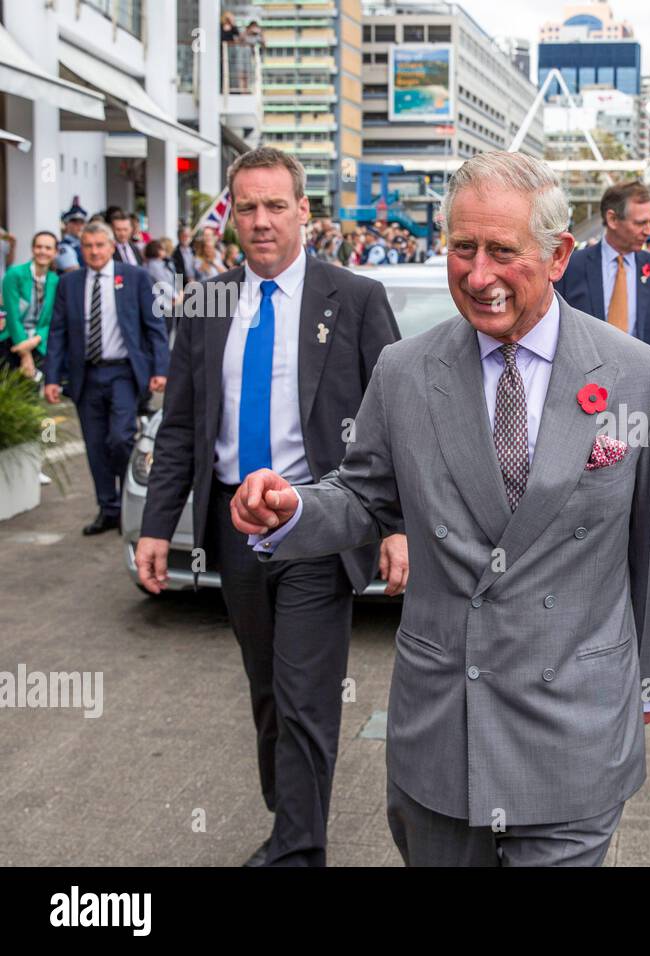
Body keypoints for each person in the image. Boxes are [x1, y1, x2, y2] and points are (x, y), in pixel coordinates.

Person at [227, 150, 650, 867]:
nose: (478, 276)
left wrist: (649, 684)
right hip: (444, 731)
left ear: (559, 254)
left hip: (574, 734)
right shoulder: (406, 370)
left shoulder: (638, 376)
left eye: (503, 252)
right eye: (463, 249)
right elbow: (363, 496)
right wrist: (293, 511)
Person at [135, 146, 404, 867]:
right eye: (247, 207)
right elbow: (183, 427)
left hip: (318, 524)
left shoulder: (355, 298)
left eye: (275, 205)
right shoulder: (206, 302)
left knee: (305, 694)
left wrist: (398, 527)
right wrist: (157, 528)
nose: (260, 221)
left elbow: (395, 422)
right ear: (232, 215)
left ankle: (296, 850)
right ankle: (290, 813)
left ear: (304, 213)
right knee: (267, 693)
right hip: (233, 529)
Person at [43, 221, 168, 533]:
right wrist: (52, 378)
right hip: (85, 375)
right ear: (80, 248)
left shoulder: (137, 277)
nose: (95, 251)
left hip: (124, 373)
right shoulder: (69, 284)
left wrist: (161, 369)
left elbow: (155, 326)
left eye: (100, 245)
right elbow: (57, 333)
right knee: (96, 444)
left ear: (112, 246)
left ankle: (129, 502)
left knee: (121, 437)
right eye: (88, 246)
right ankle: (107, 508)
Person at [554, 181, 650, 403]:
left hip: (641, 395)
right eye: (640, 223)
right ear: (613, 219)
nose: (649, 231)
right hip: (580, 393)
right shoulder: (570, 267)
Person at [1, 231, 60, 378]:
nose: (43, 251)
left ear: (55, 252)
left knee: (35, 393)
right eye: (39, 247)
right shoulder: (14, 274)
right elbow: (12, 316)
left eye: (48, 248)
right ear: (33, 249)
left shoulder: (55, 281)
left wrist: (36, 340)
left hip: (37, 342)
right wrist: (25, 353)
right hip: (12, 340)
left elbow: (52, 319)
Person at [56, 200, 88, 274]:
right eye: (75, 223)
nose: (79, 226)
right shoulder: (63, 247)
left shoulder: (83, 244)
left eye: (82, 222)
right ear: (66, 224)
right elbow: (75, 273)